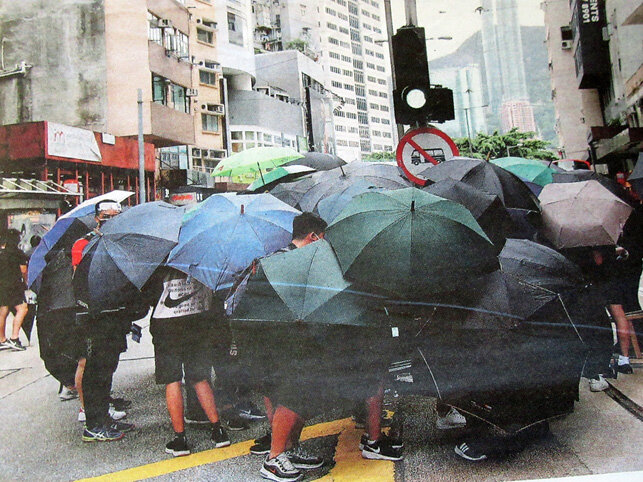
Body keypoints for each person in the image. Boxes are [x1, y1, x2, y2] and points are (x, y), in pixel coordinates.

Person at [145, 266, 230, 457]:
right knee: (200, 377)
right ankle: (218, 431)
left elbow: (149, 295)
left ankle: (181, 439)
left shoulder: (160, 258)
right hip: (198, 320)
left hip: (166, 325)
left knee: (172, 380)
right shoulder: (203, 255)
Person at [71, 200, 137, 442]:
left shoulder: (121, 243)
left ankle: (103, 416)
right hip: (94, 316)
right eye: (107, 215)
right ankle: (93, 423)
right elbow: (79, 280)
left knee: (108, 367)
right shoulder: (84, 243)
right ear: (98, 217)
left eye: (116, 215)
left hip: (115, 314)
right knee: (96, 370)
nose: (112, 219)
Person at [0, 229, 29, 351]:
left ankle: (1, 339)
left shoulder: (1, 254)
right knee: (23, 309)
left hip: (2, 284)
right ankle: (14, 337)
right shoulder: (19, 253)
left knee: (3, 311)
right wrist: (26, 282)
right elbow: (23, 271)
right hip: (15, 285)